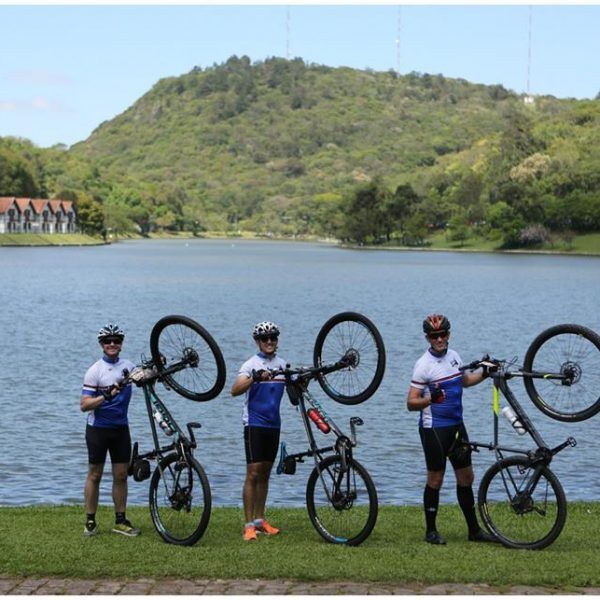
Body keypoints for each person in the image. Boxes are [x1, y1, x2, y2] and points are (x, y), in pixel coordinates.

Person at [407, 314, 496, 545]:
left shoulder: (454, 356)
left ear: (449, 334)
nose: (439, 339)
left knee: (466, 477)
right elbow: (410, 403)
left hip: (457, 426)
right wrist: (429, 399)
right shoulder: (423, 365)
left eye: (443, 334)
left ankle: (474, 531)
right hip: (434, 429)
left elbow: (464, 381)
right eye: (434, 336)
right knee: (436, 479)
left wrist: (485, 374)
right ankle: (431, 532)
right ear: (427, 337)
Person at [80, 323, 140, 537]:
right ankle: (90, 521)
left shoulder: (129, 366)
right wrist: (106, 396)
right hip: (98, 430)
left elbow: (147, 376)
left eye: (116, 340)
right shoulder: (95, 371)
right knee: (95, 475)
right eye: (108, 341)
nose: (112, 344)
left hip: (120, 428)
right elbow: (84, 405)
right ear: (101, 344)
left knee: (121, 475)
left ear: (121, 344)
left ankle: (120, 521)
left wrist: (159, 364)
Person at [231, 321, 287, 542]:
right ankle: (248, 526)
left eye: (273, 337)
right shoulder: (250, 364)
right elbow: (234, 390)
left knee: (265, 472)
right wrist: (254, 377)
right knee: (253, 473)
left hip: (274, 424)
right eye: (265, 339)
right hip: (254, 424)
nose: (270, 341)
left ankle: (260, 520)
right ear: (257, 342)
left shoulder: (283, 364)